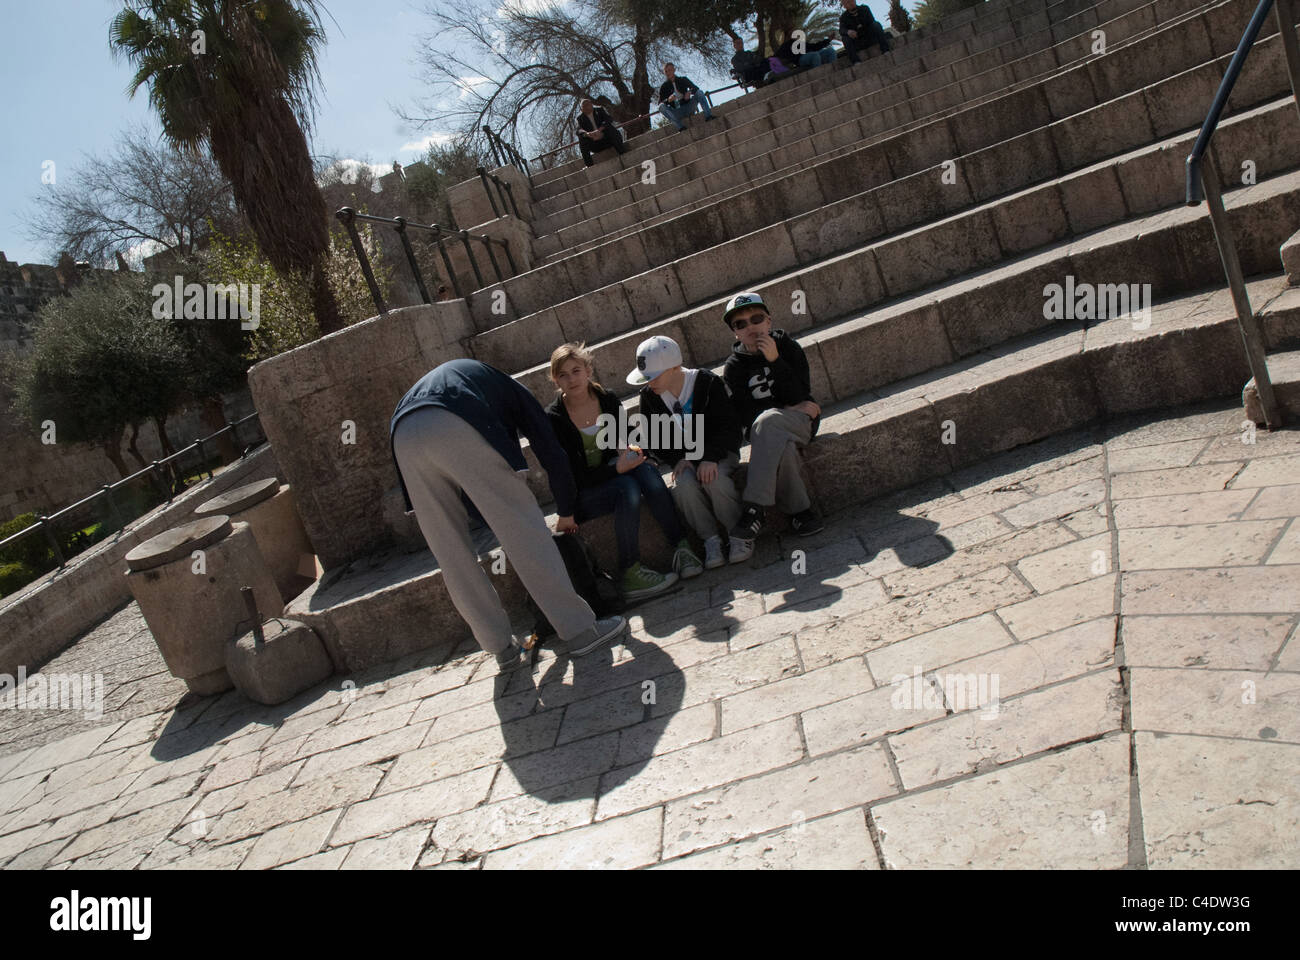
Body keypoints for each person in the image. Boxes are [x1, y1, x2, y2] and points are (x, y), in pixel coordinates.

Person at [389, 358, 628, 673]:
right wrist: (566, 510)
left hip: (403, 434)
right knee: (527, 533)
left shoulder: (476, 381)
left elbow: (475, 495)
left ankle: (501, 649)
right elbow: (552, 452)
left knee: (451, 554)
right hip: (454, 419)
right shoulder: (515, 393)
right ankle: (581, 631)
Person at [546, 342, 701, 600]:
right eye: (563, 374)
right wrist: (617, 469)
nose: (571, 379)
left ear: (588, 370)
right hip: (583, 493)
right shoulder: (555, 418)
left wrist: (638, 453)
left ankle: (682, 548)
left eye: (576, 370)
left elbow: (628, 436)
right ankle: (630, 571)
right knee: (626, 487)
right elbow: (570, 476)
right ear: (555, 379)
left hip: (611, 472)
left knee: (649, 474)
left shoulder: (605, 398)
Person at [721, 292, 825, 560]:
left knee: (770, 424)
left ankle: (754, 508)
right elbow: (745, 414)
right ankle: (801, 514)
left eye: (756, 319)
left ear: (768, 321)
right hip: (769, 428)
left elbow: (800, 393)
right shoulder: (733, 368)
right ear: (735, 333)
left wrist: (775, 360)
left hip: (801, 423)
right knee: (780, 444)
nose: (750, 327)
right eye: (740, 324)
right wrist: (786, 409)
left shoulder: (788, 347)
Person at [630, 335, 745, 568]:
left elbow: (730, 426)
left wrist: (710, 457)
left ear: (675, 367)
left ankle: (738, 533)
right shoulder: (649, 397)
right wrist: (677, 460)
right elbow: (655, 440)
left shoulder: (707, 382)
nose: (650, 383)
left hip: (720, 454)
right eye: (646, 378)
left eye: (655, 376)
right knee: (683, 486)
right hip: (687, 460)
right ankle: (709, 539)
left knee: (715, 481)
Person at [658, 63, 716, 132]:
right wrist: (668, 100)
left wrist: (689, 92)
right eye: (666, 71)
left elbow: (695, 88)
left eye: (670, 70)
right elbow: (660, 102)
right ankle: (680, 127)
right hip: (677, 111)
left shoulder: (683, 79)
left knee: (699, 92)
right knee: (661, 107)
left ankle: (708, 116)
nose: (668, 73)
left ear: (674, 70)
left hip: (688, 107)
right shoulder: (664, 86)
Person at [575, 98, 626, 167]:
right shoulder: (580, 118)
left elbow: (609, 119)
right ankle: (589, 166)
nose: (587, 107)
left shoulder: (600, 110)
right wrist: (587, 134)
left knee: (611, 129)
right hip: (595, 144)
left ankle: (622, 152)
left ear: (591, 105)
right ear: (582, 109)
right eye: (584, 106)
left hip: (607, 139)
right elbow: (578, 130)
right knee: (582, 139)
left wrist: (600, 129)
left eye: (588, 104)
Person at [839, 0, 891, 64]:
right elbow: (841, 30)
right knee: (845, 38)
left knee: (876, 24)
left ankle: (885, 50)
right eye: (847, 2)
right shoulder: (843, 17)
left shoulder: (864, 9)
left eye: (851, 1)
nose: (850, 3)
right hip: (858, 42)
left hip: (870, 37)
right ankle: (856, 61)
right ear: (844, 6)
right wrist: (848, 32)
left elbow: (871, 20)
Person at [774, 23, 838, 70]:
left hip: (811, 54)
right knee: (814, 55)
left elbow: (814, 47)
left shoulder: (800, 42)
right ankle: (819, 74)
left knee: (830, 51)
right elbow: (779, 56)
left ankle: (834, 70)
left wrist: (828, 40)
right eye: (792, 31)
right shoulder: (785, 45)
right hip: (801, 59)